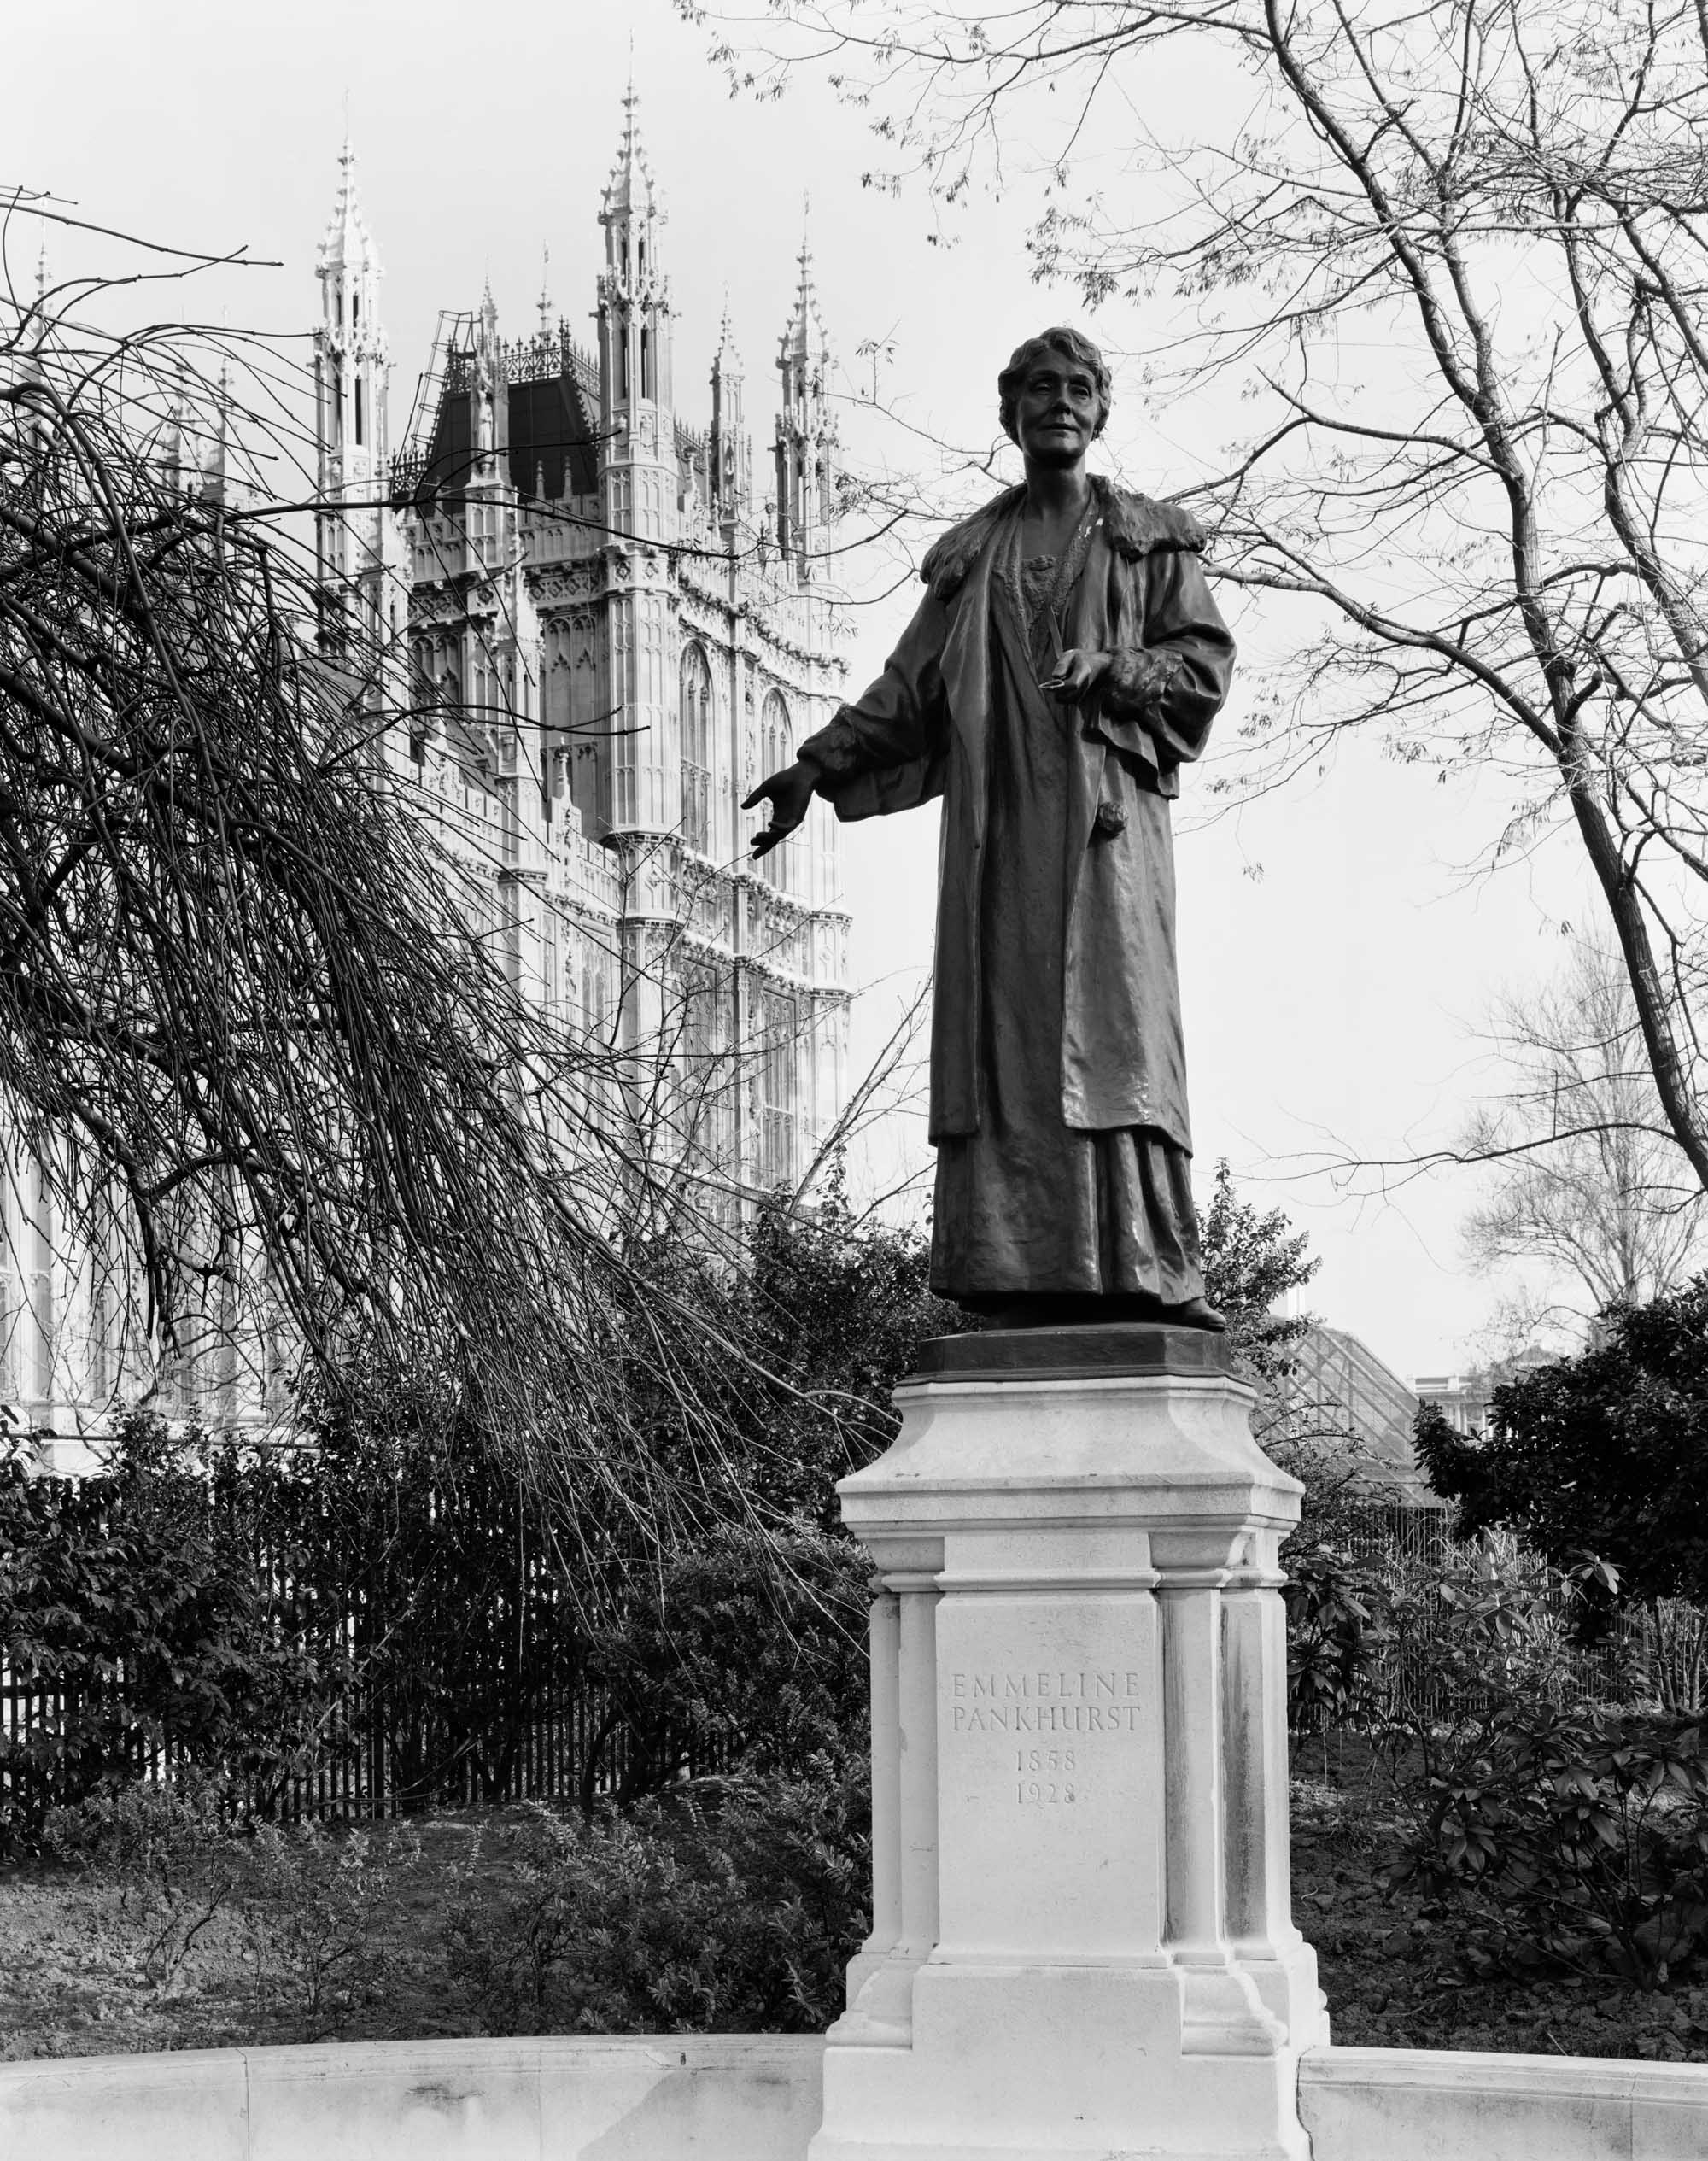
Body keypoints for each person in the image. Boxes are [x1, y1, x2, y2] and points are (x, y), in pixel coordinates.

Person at [744, 328, 1234, 1330]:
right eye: (1040, 388)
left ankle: (1142, 1266)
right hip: (1001, 839)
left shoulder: (1150, 541)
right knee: (1005, 1051)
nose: (1060, 401)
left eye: (1080, 388)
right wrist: (815, 764)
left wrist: (1113, 666)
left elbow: (1203, 668)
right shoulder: (971, 558)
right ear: (1008, 413)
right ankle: (1011, 1269)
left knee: (1116, 1042)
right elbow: (907, 689)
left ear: (1100, 412)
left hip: (1104, 845)